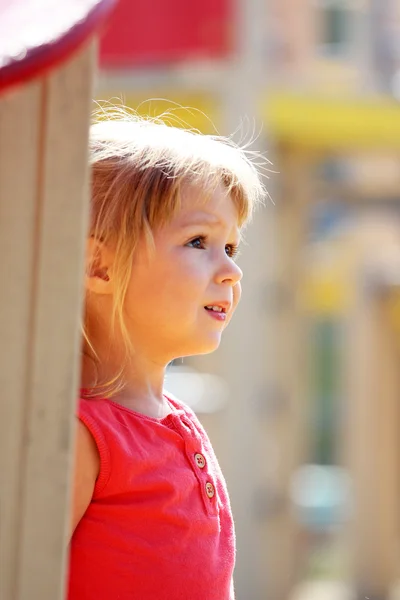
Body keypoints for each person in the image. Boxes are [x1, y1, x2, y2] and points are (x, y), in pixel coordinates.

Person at [68, 108, 266, 600]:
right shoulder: (78, 436)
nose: (230, 272)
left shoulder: (179, 419)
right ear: (100, 265)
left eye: (232, 248)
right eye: (199, 241)